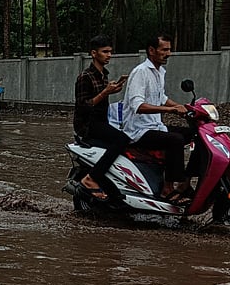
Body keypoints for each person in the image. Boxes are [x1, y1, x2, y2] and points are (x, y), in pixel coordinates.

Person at [121, 34, 195, 204]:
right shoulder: (140, 72)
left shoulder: (159, 72)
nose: (168, 53)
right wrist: (171, 109)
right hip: (139, 130)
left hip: (155, 125)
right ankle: (167, 189)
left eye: (169, 49)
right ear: (152, 51)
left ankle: (185, 184)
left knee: (194, 133)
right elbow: (137, 105)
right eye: (165, 50)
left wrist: (185, 108)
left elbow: (161, 97)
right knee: (175, 140)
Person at [73, 34, 131, 200]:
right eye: (105, 51)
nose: (109, 55)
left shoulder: (103, 75)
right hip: (88, 125)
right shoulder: (85, 77)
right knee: (122, 139)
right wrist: (105, 92)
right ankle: (91, 179)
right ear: (93, 53)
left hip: (102, 120)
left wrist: (112, 90)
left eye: (110, 52)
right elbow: (83, 106)